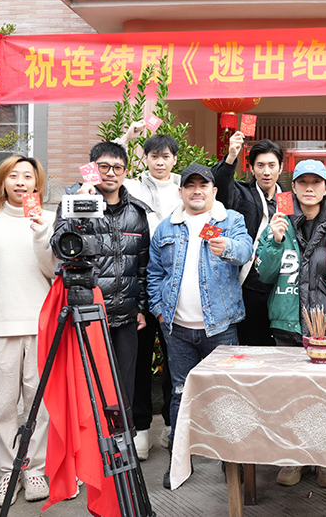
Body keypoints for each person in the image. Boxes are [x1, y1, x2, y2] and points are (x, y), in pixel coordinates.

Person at [255, 159, 326, 489]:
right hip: (288, 321)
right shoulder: (279, 222)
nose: (310, 188)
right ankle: (293, 458)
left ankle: (325, 458)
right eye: (303, 182)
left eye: (316, 182)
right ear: (294, 187)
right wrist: (274, 240)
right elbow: (265, 274)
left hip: (325, 325)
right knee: (291, 395)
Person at [147, 163, 253, 490]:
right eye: (190, 185)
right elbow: (154, 273)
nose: (197, 191)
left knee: (226, 394)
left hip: (220, 328)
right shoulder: (166, 227)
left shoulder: (230, 220)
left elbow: (246, 249)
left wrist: (228, 248)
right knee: (180, 394)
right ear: (181, 192)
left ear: (213, 191)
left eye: (203, 185)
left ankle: (230, 461)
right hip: (177, 329)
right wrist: (160, 312)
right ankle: (180, 461)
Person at [0, 155, 56, 507]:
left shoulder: (49, 219)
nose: (21, 182)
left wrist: (40, 230)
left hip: (41, 325)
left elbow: (53, 271)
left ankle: (35, 468)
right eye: (13, 176)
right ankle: (9, 471)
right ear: (2, 182)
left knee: (40, 405)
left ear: (37, 183)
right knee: (2, 405)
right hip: (0, 324)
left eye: (27, 176)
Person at [51, 141, 150, 419]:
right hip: (88, 313)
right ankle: (92, 445)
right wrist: (80, 207)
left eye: (118, 167)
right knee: (89, 389)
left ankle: (123, 441)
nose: (110, 173)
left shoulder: (137, 212)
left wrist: (141, 307)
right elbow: (59, 246)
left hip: (126, 316)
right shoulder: (73, 202)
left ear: (126, 172)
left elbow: (143, 265)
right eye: (103, 166)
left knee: (123, 390)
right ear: (92, 169)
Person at [114, 122, 181, 461]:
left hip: (176, 286)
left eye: (165, 156)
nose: (160, 162)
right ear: (145, 158)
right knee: (139, 359)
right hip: (139, 281)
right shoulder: (132, 186)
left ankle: (172, 424)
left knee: (175, 358)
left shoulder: (185, 188)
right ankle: (141, 429)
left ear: (174, 160)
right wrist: (126, 138)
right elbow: (103, 170)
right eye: (154, 156)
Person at [213, 131, 284, 346]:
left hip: (281, 284)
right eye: (260, 165)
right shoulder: (242, 193)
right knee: (252, 346)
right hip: (249, 284)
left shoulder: (288, 198)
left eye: (272, 165)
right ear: (251, 168)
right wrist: (231, 157)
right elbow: (221, 189)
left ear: (281, 168)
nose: (266, 171)